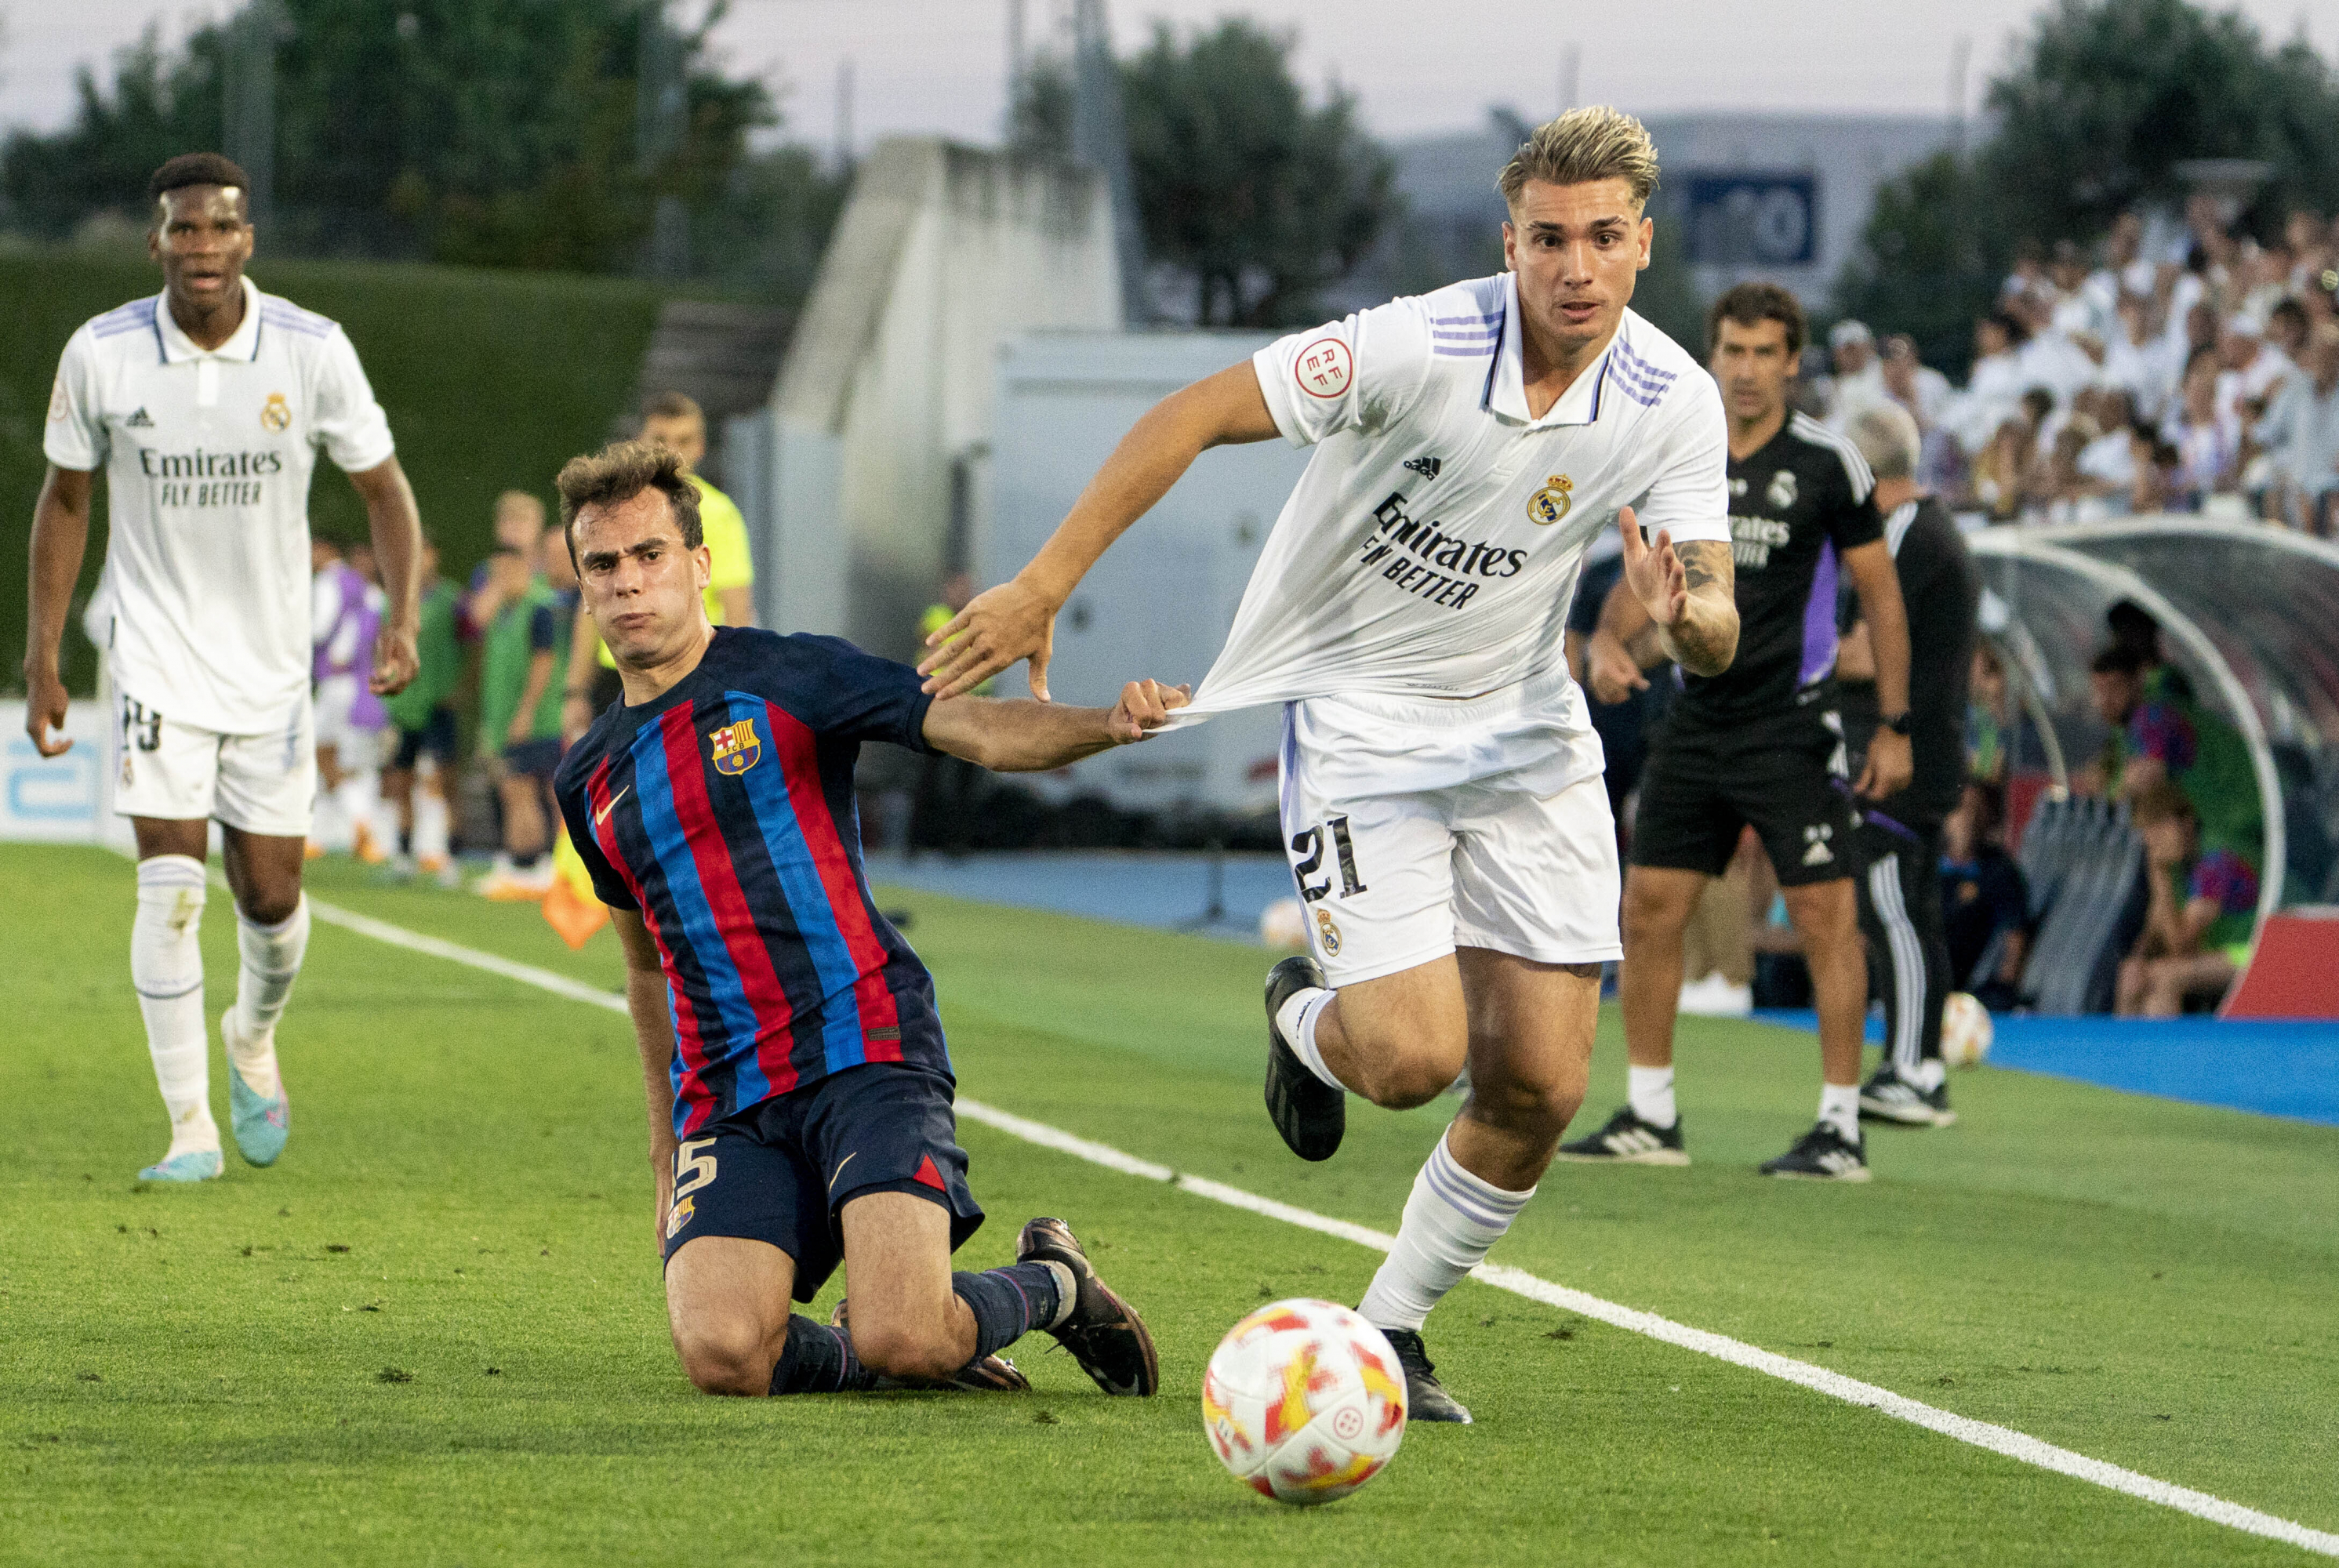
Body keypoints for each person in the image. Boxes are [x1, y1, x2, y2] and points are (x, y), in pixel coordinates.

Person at [920, 108, 1738, 1421]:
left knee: (1540, 1084)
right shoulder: (1416, 343)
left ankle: (1393, 1331)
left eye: (1600, 239)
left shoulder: (1672, 401)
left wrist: (1679, 605)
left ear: (1641, 245)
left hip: (1525, 729)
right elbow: (1191, 413)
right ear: (1508, 242)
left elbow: (1712, 624)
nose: (1572, 268)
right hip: (1361, 721)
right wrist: (1041, 582)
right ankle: (1302, 1021)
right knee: (1411, 1064)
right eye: (1545, 239)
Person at [551, 439, 1178, 1399]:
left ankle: (1053, 1283)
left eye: (650, 556)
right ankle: (867, 1341)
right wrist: (663, 1141)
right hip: (730, 1087)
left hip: (863, 1040)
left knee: (911, 1334)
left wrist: (1108, 723)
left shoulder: (792, 676)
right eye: (604, 564)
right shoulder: (586, 775)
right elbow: (645, 971)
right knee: (723, 1354)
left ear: (698, 564)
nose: (629, 584)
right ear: (584, 585)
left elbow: (974, 728)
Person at [21, 152, 421, 1182]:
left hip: (270, 671)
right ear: (156, 242)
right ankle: (189, 1127)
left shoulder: (311, 350)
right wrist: (46, 650)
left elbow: (384, 490)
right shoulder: (102, 354)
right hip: (152, 654)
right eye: (183, 230)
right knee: (169, 884)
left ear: (248, 240)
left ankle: (252, 1032)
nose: (202, 247)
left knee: (273, 900)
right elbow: (66, 502)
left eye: (220, 229)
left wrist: (400, 618)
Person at [1568, 281, 1912, 1181]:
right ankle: (1649, 1111)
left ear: (1793, 362)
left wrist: (1896, 725)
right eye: (1733, 350)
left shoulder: (1830, 463)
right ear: (1711, 354)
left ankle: (1839, 1127)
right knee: (1647, 911)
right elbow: (1640, 575)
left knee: (1826, 921)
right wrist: (1609, 641)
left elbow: (1880, 597)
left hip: (1790, 727)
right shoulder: (1683, 454)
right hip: (1694, 719)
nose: (1748, 369)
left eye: (1766, 352)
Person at [1832, 403, 1978, 1127]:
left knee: (1891, 904)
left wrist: (1782, 665)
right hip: (1921, 747)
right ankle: (1909, 1063)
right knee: (1903, 905)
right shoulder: (1932, 534)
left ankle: (1916, 1068)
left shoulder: (1904, 537)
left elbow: (1864, 652)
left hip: (1902, 752)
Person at [563, 392, 753, 743]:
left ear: (701, 446)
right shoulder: (610, 508)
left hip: (685, 671)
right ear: (641, 442)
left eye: (683, 441)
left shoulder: (718, 514)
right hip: (615, 672)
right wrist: (575, 691)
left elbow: (737, 609)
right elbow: (589, 599)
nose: (672, 452)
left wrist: (733, 686)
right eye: (661, 440)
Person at [473, 510, 570, 901]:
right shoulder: (505, 611)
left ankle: (543, 864)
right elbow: (476, 623)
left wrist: (527, 712)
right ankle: (524, 864)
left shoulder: (540, 606)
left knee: (533, 791)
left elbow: (544, 663)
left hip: (534, 720)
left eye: (505, 571)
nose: (499, 579)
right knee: (518, 791)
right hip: (504, 717)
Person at [2116, 782, 2255, 1017]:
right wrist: (2140, 957)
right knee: (2131, 975)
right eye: (2148, 835)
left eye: (2159, 831)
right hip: (2215, 951)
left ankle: (2166, 1054)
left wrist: (2159, 876)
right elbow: (2157, 936)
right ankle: (2123, 1052)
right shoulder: (2178, 867)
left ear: (2186, 823)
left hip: (2248, 950)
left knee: (2166, 978)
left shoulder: (2215, 864)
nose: (2153, 843)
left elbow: (2180, 946)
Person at [380, 535, 462, 882]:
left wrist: (460, 687)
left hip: (439, 703)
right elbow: (383, 647)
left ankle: (451, 857)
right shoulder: (394, 601)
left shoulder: (453, 600)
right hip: (404, 705)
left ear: (435, 556)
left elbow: (474, 643)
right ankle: (403, 855)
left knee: (446, 783)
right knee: (401, 782)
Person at [310, 534, 390, 862]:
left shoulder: (330, 582)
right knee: (345, 763)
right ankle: (330, 834)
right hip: (363, 688)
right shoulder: (371, 594)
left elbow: (319, 628)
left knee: (322, 758)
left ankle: (360, 826)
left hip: (336, 684)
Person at [1940, 782, 2028, 1011]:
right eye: (1961, 808)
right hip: (1926, 977)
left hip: (1975, 990)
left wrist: (2005, 986)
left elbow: (2015, 937)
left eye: (1976, 809)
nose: (1968, 818)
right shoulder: (1926, 868)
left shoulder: (1999, 871)